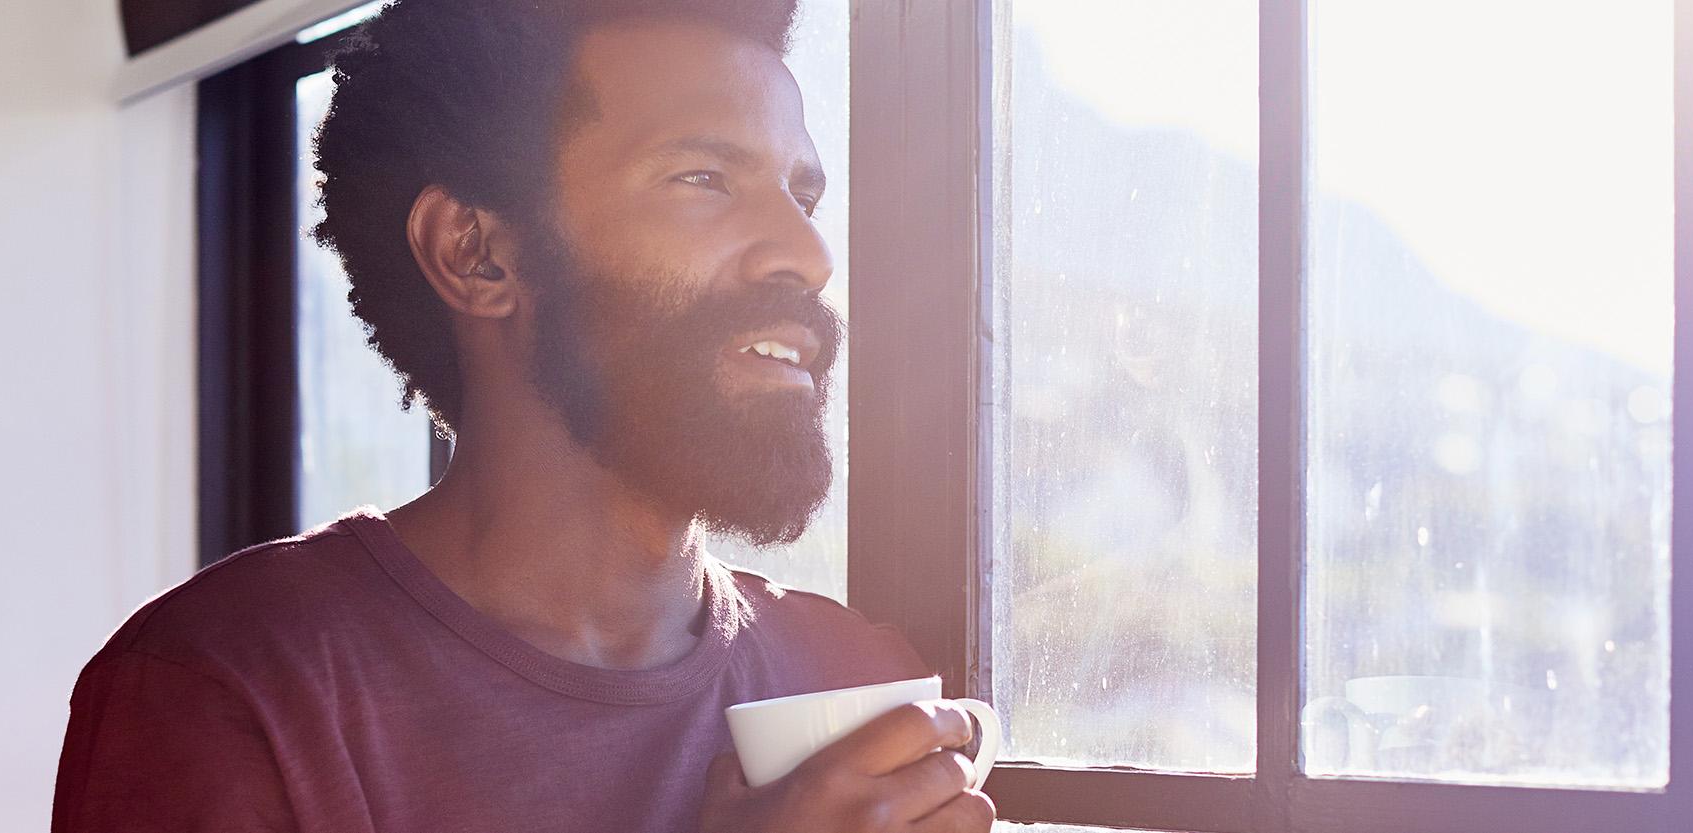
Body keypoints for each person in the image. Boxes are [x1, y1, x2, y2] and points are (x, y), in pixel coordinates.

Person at [49, 0, 997, 830]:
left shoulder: (852, 678)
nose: (806, 254)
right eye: (703, 178)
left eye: (801, 193)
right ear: (476, 253)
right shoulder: (229, 688)